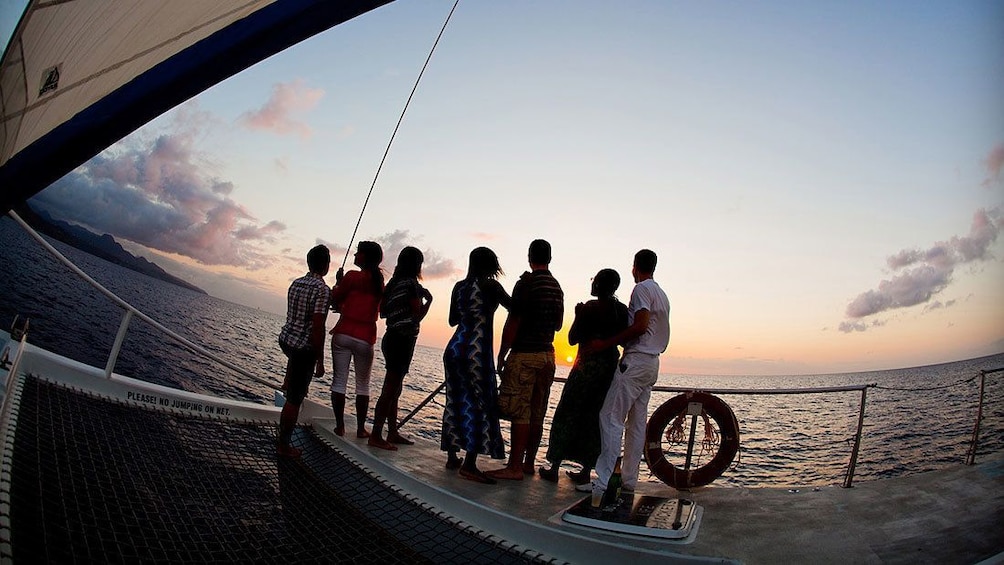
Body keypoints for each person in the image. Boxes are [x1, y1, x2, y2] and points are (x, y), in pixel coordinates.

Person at [580, 249, 670, 497]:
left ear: (634, 267)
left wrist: (605, 343)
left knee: (610, 417)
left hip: (636, 361)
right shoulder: (662, 294)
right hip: (652, 364)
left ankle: (603, 481)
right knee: (637, 423)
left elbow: (640, 326)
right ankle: (629, 480)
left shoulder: (641, 289)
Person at [538, 268, 628, 484]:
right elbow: (625, 341)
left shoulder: (589, 308)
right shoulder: (621, 311)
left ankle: (555, 466)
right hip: (607, 370)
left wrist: (578, 316)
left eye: (594, 279)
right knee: (595, 418)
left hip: (585, 369)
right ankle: (587, 470)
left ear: (599, 284)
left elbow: (571, 338)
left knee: (567, 413)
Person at [488, 239, 564, 481]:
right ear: (549, 258)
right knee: (537, 411)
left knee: (520, 411)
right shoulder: (557, 287)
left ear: (530, 256)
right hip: (547, 356)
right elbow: (559, 325)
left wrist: (502, 352)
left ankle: (514, 467)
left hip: (526, 355)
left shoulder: (526, 283)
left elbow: (514, 319)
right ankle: (529, 463)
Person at [441, 247, 512, 484]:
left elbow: (453, 320)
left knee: (455, 400)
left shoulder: (459, 286)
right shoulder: (491, 286)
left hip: (454, 348)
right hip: (477, 351)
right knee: (482, 403)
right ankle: (469, 465)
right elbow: (515, 308)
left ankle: (453, 456)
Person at [368, 246, 433, 451]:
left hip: (390, 338)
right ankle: (377, 434)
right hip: (403, 340)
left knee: (394, 388)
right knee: (390, 388)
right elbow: (417, 316)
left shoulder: (393, 284)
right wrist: (429, 301)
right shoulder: (412, 285)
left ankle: (392, 431)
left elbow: (383, 313)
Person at [277, 244, 331, 457]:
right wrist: (320, 360)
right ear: (326, 266)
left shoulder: (296, 283)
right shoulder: (322, 290)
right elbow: (317, 327)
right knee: (294, 400)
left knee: (295, 356)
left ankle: (288, 381)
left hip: (286, 340)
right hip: (302, 348)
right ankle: (283, 446)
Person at [329, 241, 384, 438]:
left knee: (339, 381)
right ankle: (361, 429)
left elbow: (335, 297)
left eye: (358, 253)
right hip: (366, 338)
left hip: (343, 333)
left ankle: (340, 427)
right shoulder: (379, 283)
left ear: (364, 257)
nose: (354, 255)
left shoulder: (351, 277)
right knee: (363, 384)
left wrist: (337, 282)